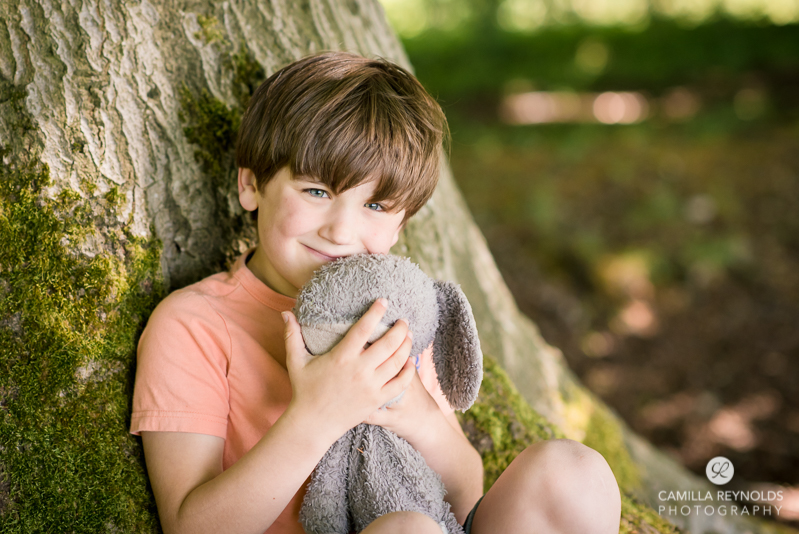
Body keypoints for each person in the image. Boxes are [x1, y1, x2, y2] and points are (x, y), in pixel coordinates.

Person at [130, 51, 622, 534]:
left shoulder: (392, 313)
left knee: (576, 470)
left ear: (402, 223)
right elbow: (191, 526)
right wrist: (318, 415)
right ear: (251, 185)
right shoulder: (194, 325)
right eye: (317, 192)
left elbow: (465, 489)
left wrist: (415, 414)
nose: (342, 231)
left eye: (377, 204)